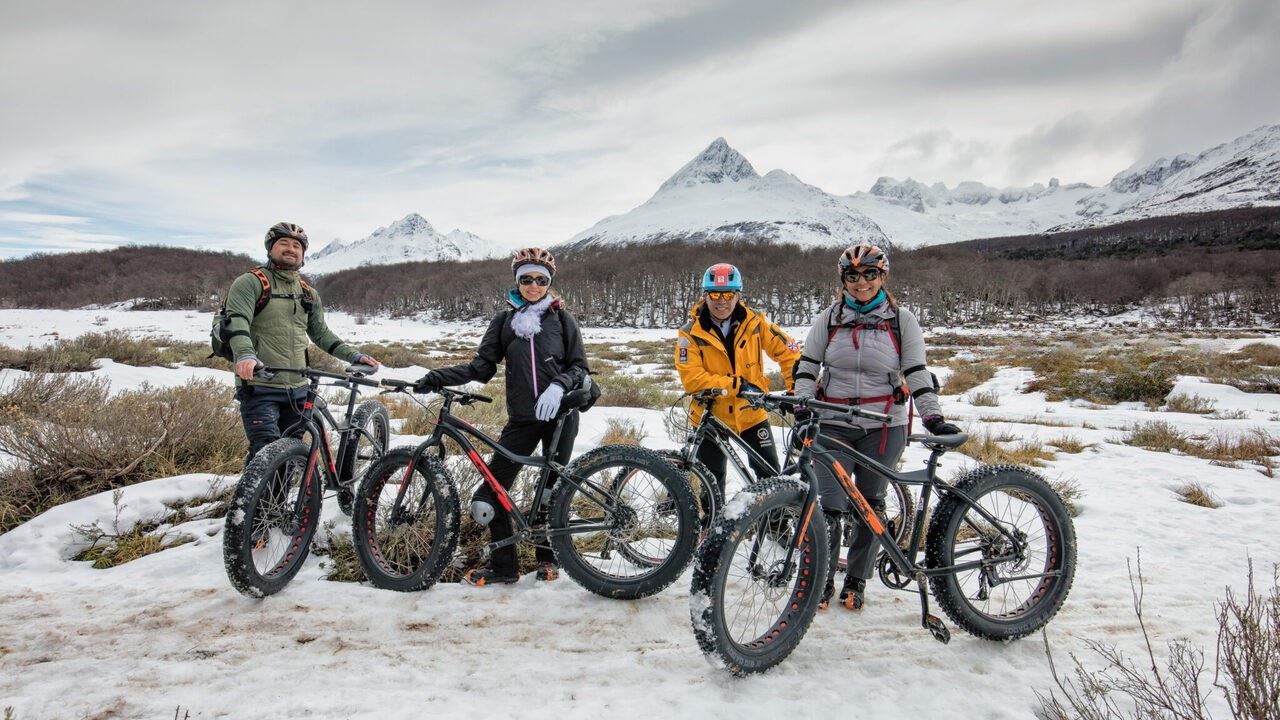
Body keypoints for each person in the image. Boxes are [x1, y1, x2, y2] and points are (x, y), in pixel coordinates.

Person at [791, 243, 960, 611]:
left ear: (883, 276)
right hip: (832, 423)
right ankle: (821, 580)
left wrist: (932, 417)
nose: (861, 282)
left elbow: (916, 372)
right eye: (853, 275)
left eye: (870, 274)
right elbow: (807, 366)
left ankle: (856, 580)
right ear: (843, 280)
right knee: (829, 505)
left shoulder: (902, 320)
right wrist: (803, 404)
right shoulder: (829, 318)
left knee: (870, 503)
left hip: (883, 427)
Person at [414, 247, 589, 586]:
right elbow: (480, 368)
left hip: (561, 415)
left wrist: (558, 386)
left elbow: (579, 366)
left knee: (550, 491)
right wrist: (436, 377)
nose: (534, 285)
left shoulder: (562, 320)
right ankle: (505, 567)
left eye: (541, 280)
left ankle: (548, 560)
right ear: (517, 282)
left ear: (549, 283)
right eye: (527, 279)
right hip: (523, 419)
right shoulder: (504, 322)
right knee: (491, 493)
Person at [225, 222, 380, 463]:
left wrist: (354, 355)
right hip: (260, 385)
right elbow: (237, 321)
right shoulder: (250, 282)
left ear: (303, 253)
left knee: (291, 454)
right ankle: (255, 490)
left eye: (297, 246)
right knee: (265, 452)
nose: (291, 249)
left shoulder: (308, 293)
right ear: (270, 248)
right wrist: (245, 354)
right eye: (284, 243)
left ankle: (284, 490)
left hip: (298, 387)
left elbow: (321, 334)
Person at [674, 263, 801, 496]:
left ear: (738, 295)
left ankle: (774, 519)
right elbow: (692, 379)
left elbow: (790, 352)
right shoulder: (690, 332)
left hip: (751, 413)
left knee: (770, 478)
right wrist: (735, 385)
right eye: (715, 294)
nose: (722, 301)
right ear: (705, 295)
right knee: (712, 484)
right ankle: (712, 520)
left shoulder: (756, 323)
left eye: (728, 294)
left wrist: (795, 390)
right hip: (710, 415)